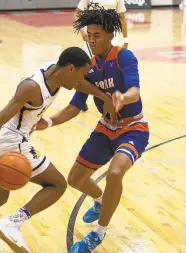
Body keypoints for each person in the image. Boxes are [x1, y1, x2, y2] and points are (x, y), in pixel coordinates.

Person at [0, 47, 116, 253]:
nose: (82, 80)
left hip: (0, 143)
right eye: (82, 73)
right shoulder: (31, 87)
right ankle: (13, 223)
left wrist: (105, 98)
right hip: (10, 143)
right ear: (70, 69)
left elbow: (82, 85)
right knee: (57, 184)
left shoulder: (55, 70)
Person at [36, 8, 149, 253]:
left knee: (115, 173)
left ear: (110, 35)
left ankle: (98, 233)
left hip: (133, 128)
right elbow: (76, 106)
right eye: (89, 35)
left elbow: (135, 91)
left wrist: (122, 97)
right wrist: (50, 122)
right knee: (75, 179)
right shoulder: (88, 68)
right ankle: (100, 201)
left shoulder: (123, 57)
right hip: (106, 128)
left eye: (97, 35)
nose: (92, 40)